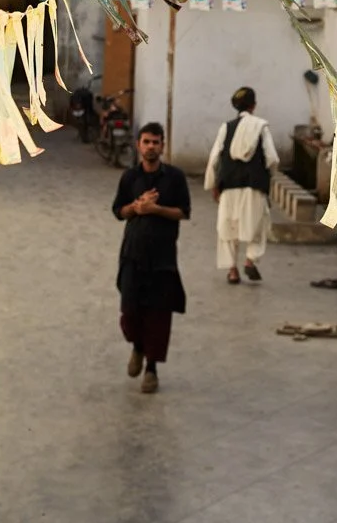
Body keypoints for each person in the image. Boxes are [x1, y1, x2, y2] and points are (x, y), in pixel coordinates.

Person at [112, 122, 190, 394]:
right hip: (132, 255)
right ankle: (137, 347)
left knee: (158, 315)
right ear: (138, 145)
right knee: (130, 312)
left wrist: (155, 209)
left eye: (156, 142)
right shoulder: (130, 178)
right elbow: (119, 211)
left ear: (163, 145)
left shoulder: (175, 178)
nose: (151, 147)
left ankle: (152, 369)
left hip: (163, 258)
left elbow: (183, 211)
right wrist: (136, 206)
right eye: (146, 142)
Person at [206, 86, 278, 285]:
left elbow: (214, 158)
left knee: (228, 229)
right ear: (254, 105)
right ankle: (250, 260)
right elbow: (272, 158)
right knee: (257, 225)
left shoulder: (225, 127)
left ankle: (232, 271)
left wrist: (213, 184)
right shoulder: (261, 126)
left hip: (229, 186)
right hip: (254, 185)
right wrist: (266, 176)